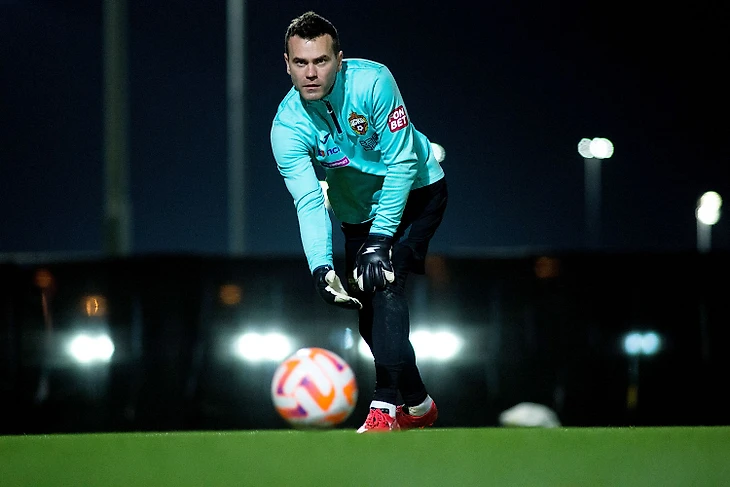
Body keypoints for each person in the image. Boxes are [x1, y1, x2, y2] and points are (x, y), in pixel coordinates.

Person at [270, 11, 447, 433]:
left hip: (416, 191)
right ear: (287, 64)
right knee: (369, 318)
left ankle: (383, 407)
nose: (311, 73)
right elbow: (309, 200)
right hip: (356, 214)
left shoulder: (373, 82)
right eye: (301, 63)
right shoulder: (286, 126)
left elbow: (402, 161)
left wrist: (381, 239)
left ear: (339, 59)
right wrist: (320, 265)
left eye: (321, 61)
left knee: (385, 282)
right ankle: (419, 405)